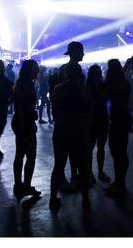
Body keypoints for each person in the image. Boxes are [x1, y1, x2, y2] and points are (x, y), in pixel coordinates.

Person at [50, 62, 93, 212]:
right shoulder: (85, 89)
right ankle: (85, 199)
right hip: (80, 126)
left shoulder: (58, 89)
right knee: (83, 164)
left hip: (62, 126)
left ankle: (53, 198)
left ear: (66, 73)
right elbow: (90, 112)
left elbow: (54, 111)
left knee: (59, 164)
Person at [11, 59, 41, 198]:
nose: (38, 70)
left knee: (22, 154)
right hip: (25, 123)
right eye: (35, 68)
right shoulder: (24, 85)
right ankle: (24, 185)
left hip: (24, 122)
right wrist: (24, 127)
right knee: (29, 155)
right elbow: (22, 108)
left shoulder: (25, 84)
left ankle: (20, 185)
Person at [102, 58, 133, 195]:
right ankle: (122, 181)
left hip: (117, 118)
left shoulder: (114, 84)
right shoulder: (125, 82)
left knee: (115, 151)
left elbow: (104, 98)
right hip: (125, 116)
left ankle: (118, 183)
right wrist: (126, 65)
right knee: (123, 150)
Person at [86, 64, 111, 183]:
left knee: (101, 146)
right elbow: (89, 103)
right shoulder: (89, 87)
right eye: (95, 72)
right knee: (90, 147)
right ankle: (90, 172)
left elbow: (114, 77)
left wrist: (126, 65)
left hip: (101, 118)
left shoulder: (97, 85)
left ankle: (99, 171)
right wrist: (103, 97)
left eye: (98, 72)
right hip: (93, 119)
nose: (97, 74)